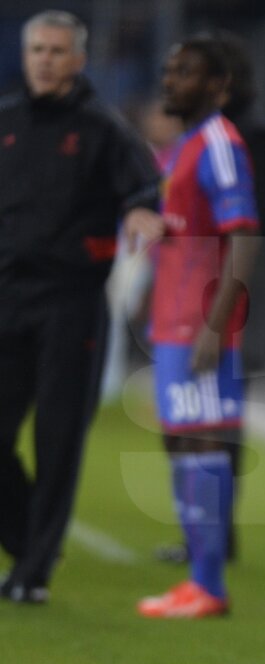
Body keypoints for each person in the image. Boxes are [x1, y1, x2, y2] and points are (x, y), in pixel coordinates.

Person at [0, 10, 162, 604]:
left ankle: (34, 571)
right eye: (36, 48)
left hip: (71, 303)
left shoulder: (104, 129)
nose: (44, 58)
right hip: (7, 297)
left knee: (57, 437)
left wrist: (143, 212)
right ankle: (27, 540)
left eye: (56, 50)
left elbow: (145, 187)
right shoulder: (7, 120)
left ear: (78, 60)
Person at [136, 35, 258, 619]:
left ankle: (209, 585)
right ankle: (196, 579)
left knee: (204, 440)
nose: (170, 81)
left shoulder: (218, 142)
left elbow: (244, 236)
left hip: (199, 323)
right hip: (171, 318)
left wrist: (215, 324)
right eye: (168, 70)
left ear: (218, 86)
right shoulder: (184, 144)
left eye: (184, 72)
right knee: (181, 441)